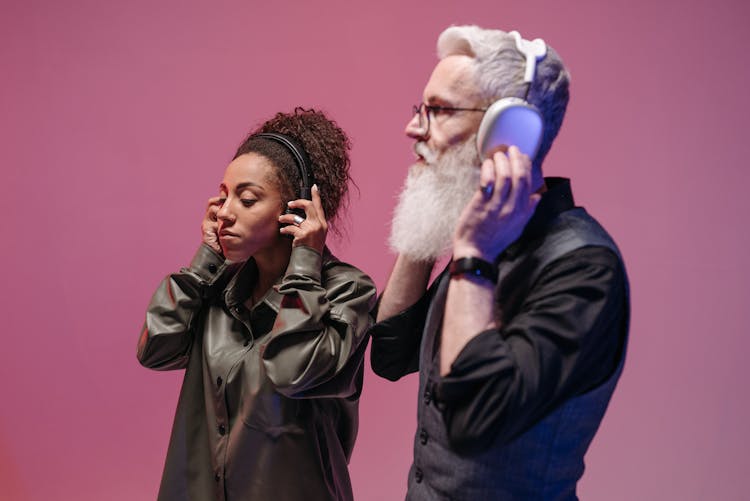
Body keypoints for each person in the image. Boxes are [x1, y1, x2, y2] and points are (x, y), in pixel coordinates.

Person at [370, 25, 629, 500]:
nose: (413, 128)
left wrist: (472, 258)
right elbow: (390, 354)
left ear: (510, 132)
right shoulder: (490, 234)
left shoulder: (585, 268)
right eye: (420, 109)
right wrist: (426, 209)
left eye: (439, 110)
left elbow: (476, 415)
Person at [138, 108, 376, 501]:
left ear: (295, 210)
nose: (225, 213)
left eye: (247, 200)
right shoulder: (215, 286)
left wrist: (304, 265)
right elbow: (156, 348)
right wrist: (205, 260)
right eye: (224, 196)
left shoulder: (348, 291)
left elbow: (292, 370)